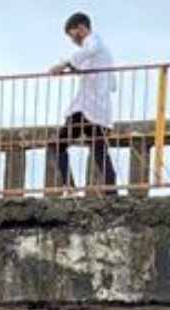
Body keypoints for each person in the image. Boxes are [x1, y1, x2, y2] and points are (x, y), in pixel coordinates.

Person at [49, 13, 118, 192]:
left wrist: (64, 64)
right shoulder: (101, 49)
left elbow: (87, 52)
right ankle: (112, 191)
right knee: (99, 150)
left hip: (86, 108)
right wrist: (71, 67)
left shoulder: (93, 41)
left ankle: (69, 188)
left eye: (72, 35)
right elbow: (96, 72)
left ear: (81, 28)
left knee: (57, 146)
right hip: (97, 108)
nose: (73, 40)